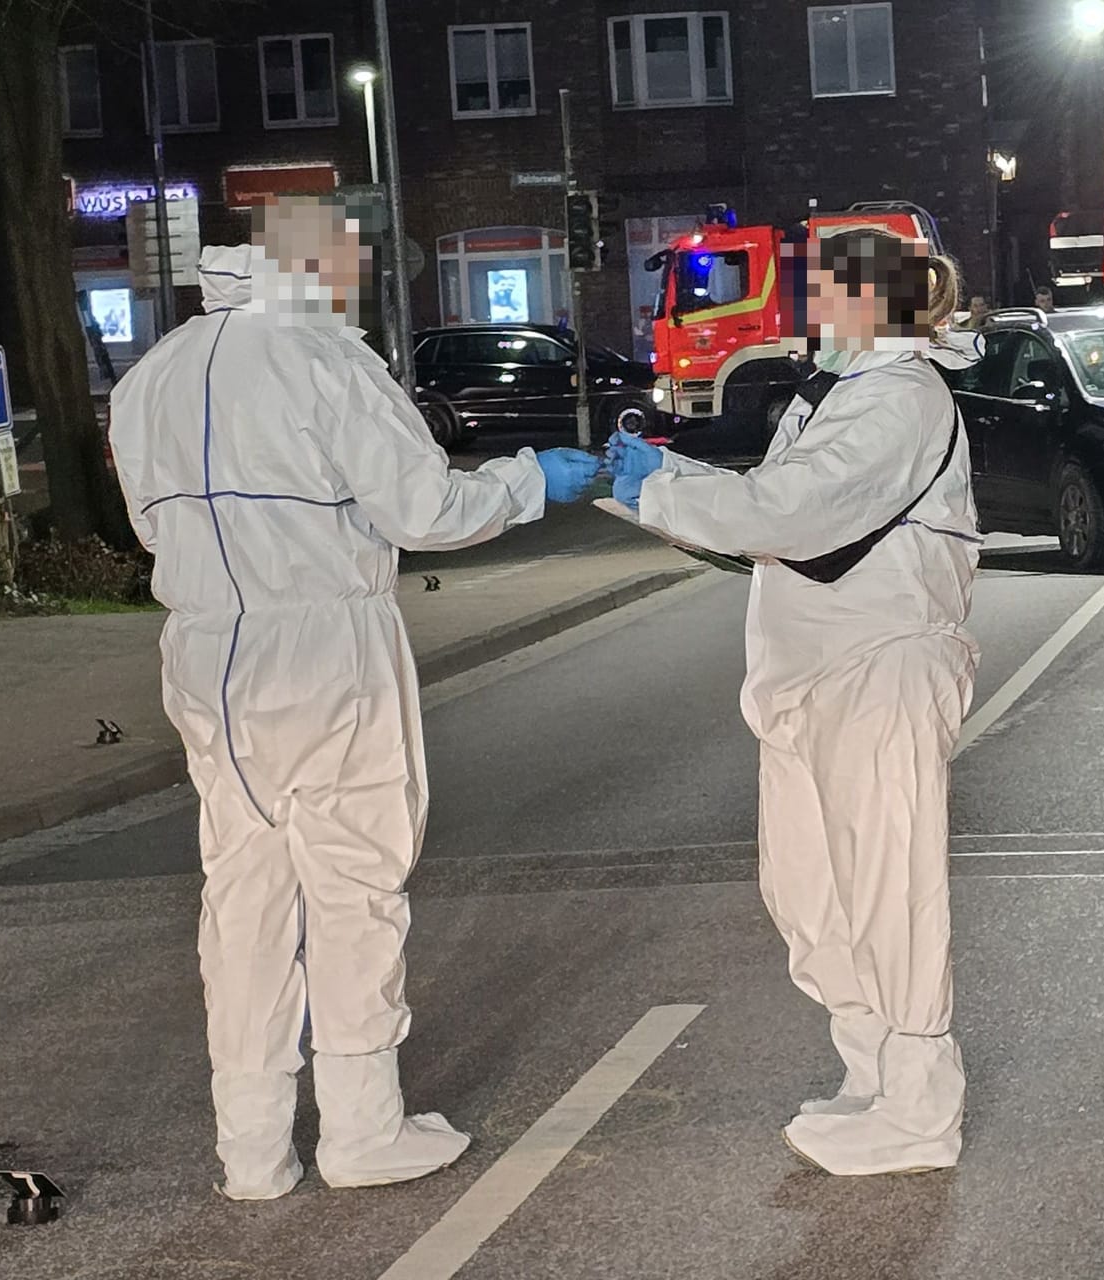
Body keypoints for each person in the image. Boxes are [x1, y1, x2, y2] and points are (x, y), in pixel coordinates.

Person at [108, 197, 601, 1201]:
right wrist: (525, 480)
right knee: (353, 887)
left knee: (242, 899)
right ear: (307, 266)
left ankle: (250, 1150)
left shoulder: (149, 377)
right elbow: (424, 506)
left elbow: (153, 529)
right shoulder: (326, 359)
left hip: (208, 653)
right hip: (325, 643)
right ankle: (364, 1126)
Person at [607, 229, 983, 1176]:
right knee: (812, 894)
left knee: (889, 892)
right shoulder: (844, 394)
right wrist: (664, 483)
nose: (810, 308)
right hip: (811, 672)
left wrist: (662, 486)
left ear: (875, 300)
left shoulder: (901, 396)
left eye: (826, 291)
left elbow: (799, 511)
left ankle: (919, 1109)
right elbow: (773, 505)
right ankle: (872, 1078)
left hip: (879, 663)